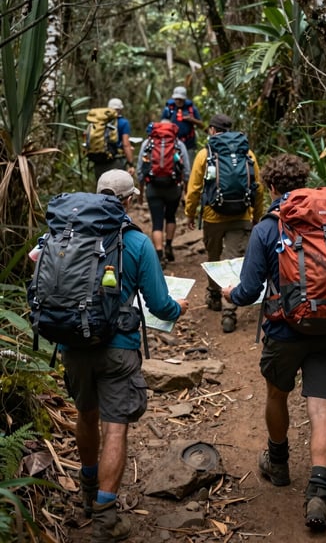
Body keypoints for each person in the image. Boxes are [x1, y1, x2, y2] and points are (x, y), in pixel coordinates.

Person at [61, 169, 189, 542]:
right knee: (115, 427)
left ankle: (87, 489)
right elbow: (159, 305)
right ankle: (105, 517)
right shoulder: (135, 241)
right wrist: (178, 308)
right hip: (118, 348)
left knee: (86, 414)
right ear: (130, 200)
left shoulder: (64, 232)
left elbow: (40, 265)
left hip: (73, 343)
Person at [222, 154, 326, 532]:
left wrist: (230, 294)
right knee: (321, 408)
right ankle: (319, 492)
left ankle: (278, 465)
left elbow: (249, 289)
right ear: (305, 180)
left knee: (277, 394)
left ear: (271, 187)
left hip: (284, 329)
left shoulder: (269, 227)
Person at [184, 113, 263, 333]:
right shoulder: (247, 154)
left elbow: (194, 189)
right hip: (241, 216)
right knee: (233, 262)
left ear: (211, 130)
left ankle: (215, 297)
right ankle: (229, 312)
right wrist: (257, 215)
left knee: (214, 258)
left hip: (213, 216)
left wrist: (190, 213)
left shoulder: (204, 154)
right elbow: (258, 188)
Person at [136, 120, 190, 266]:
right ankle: (168, 246)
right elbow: (186, 170)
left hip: (153, 187)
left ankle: (159, 255)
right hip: (173, 187)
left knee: (157, 221)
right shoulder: (178, 144)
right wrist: (185, 190)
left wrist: (140, 192)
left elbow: (140, 170)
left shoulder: (148, 143)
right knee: (171, 216)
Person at [161, 86, 204, 166]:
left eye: (180, 99)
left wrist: (191, 119)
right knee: (173, 167)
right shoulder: (169, 109)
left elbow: (202, 125)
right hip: (172, 144)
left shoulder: (191, 109)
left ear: (184, 99)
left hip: (189, 144)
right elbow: (162, 124)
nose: (178, 101)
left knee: (189, 166)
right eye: (176, 99)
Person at [94, 98, 135, 181]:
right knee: (117, 190)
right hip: (116, 162)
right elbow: (126, 144)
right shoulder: (123, 123)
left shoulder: (99, 122)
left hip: (98, 162)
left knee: (101, 191)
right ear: (120, 109)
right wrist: (131, 164)